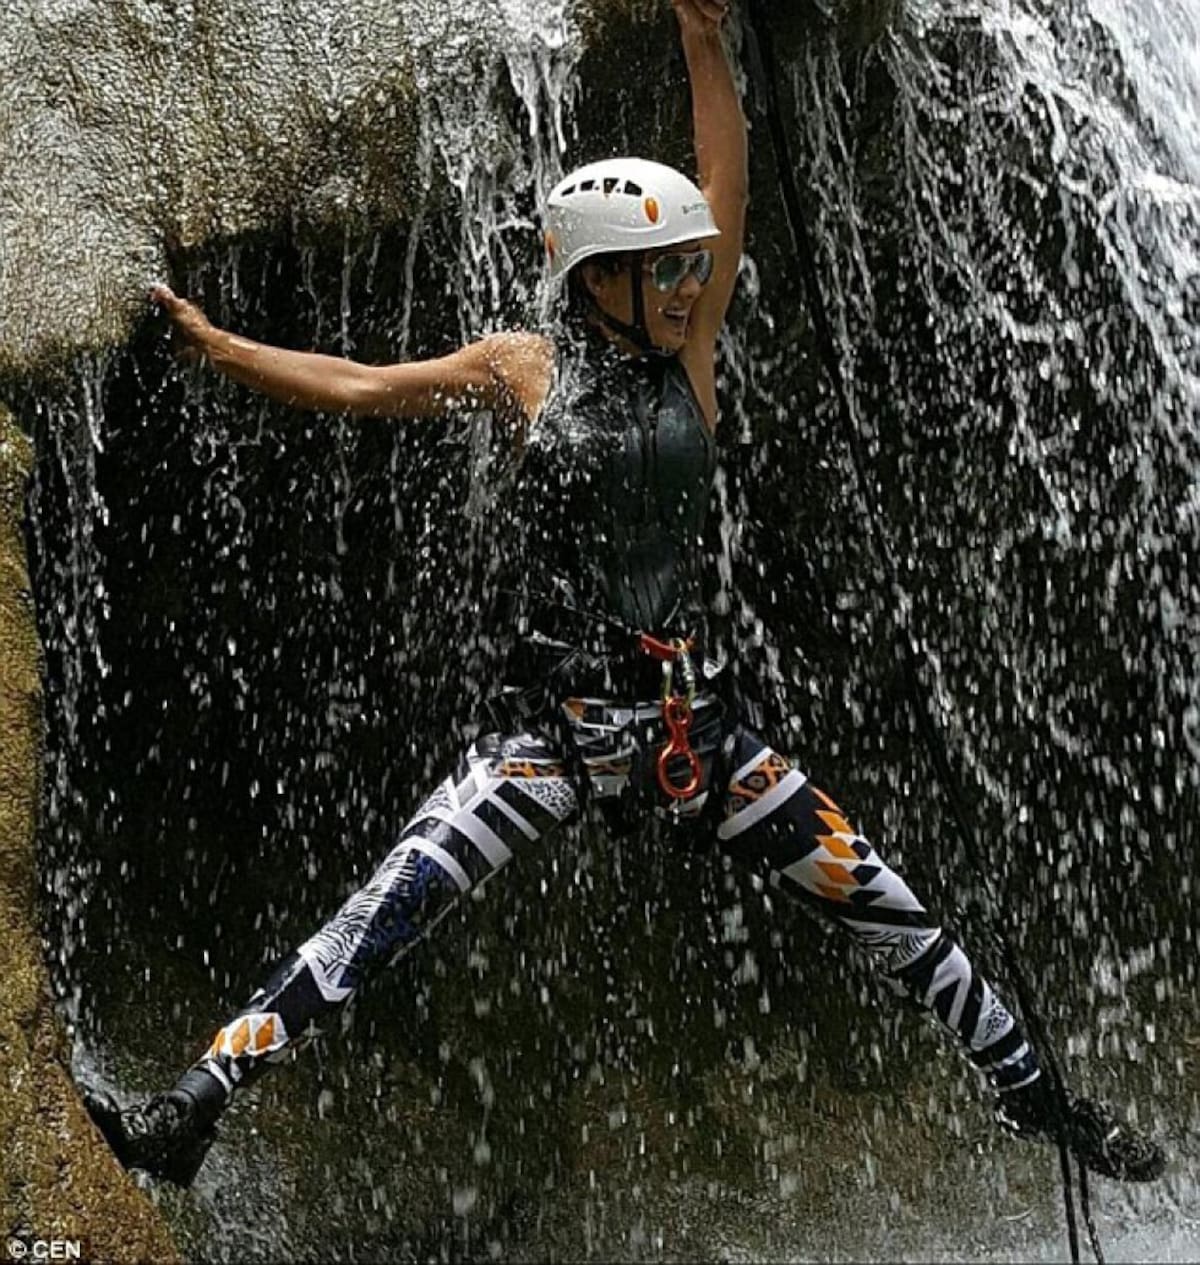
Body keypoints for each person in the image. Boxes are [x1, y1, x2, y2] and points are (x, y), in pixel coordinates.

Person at [84, 0, 1164, 1190]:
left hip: (694, 724)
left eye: (690, 267)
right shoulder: (522, 366)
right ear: (598, 278)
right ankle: (192, 1105)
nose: (691, 281)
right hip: (554, 733)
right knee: (382, 909)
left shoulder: (691, 345)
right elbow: (357, 385)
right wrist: (220, 347)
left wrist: (706, 39)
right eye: (664, 269)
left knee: (892, 909)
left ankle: (1034, 1094)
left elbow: (725, 186)